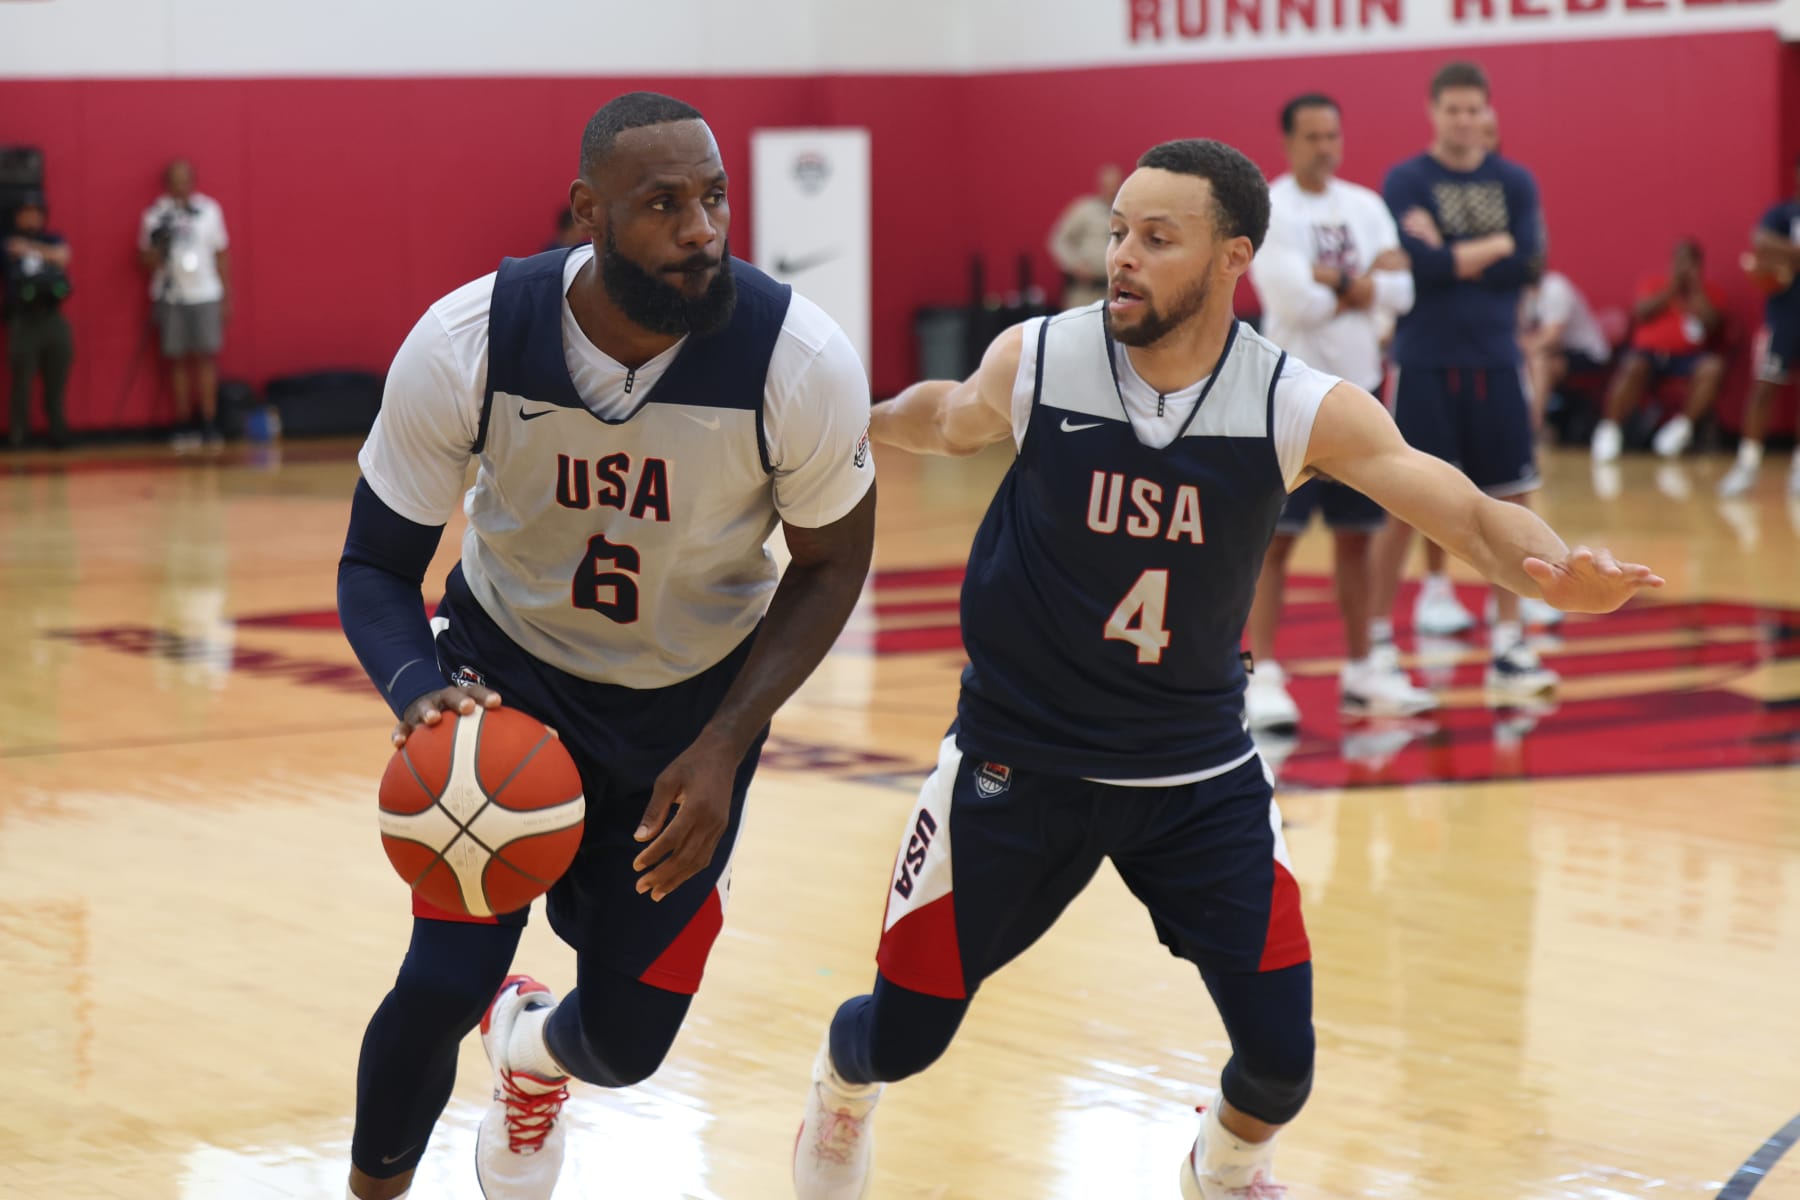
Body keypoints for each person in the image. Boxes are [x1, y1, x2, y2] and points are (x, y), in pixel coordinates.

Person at [790, 138, 1659, 1200]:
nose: (1122, 255)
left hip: (1196, 773)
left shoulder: (1293, 403)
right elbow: (948, 416)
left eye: (1158, 238)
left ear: (1232, 257)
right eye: (1119, 232)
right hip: (1020, 761)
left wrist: (1556, 574)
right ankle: (841, 1085)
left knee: (1282, 1065)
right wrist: (850, 424)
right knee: (904, 1034)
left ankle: (1226, 1165)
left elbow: (1466, 513)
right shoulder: (1044, 359)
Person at [336, 92, 876, 1200]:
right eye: (663, 204)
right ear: (589, 212)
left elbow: (831, 563)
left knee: (627, 1047)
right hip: (506, 684)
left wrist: (726, 743)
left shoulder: (798, 359)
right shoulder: (469, 340)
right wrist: (419, 692)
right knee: (439, 984)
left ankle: (528, 1052)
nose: (701, 229)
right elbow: (375, 565)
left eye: (714, 198)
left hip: (688, 715)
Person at [1245, 93, 1434, 730]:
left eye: (1333, 135)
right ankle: (1262, 675)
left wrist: (1331, 279)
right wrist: (1363, 283)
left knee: (1358, 538)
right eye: (1312, 137)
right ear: (1288, 142)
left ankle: (1362, 671)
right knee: (1274, 543)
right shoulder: (1271, 209)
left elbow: (1403, 291)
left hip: (1359, 396)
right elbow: (1293, 303)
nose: (1325, 147)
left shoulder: (1366, 205)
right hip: (1289, 397)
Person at [1372, 61, 1562, 694]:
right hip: (1424, 359)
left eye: (1473, 109)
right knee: (1402, 505)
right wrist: (1491, 245)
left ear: (1487, 112)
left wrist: (1450, 250)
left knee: (1511, 501)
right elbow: (1417, 267)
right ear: (1433, 112)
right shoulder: (1406, 179)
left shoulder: (1515, 180)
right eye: (1452, 109)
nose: (1463, 120)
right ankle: (1376, 646)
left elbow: (1526, 264)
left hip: (1497, 359)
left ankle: (1509, 644)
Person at [1590, 239, 1725, 463]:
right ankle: (1609, 429)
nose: (1684, 267)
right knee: (1632, 366)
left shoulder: (1709, 291)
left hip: (1687, 358)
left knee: (1713, 368)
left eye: (1690, 262)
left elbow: (1713, 323)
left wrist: (1695, 290)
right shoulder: (1655, 283)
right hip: (1649, 354)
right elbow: (1642, 312)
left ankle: (1680, 430)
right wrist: (1672, 288)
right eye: (1680, 261)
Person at [1718, 154, 1800, 498]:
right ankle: (1747, 464)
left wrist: (1788, 258)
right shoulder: (1782, 214)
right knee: (1765, 387)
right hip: (1784, 318)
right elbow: (1761, 241)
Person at [138, 160, 231, 450]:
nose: (180, 186)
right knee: (176, 358)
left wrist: (226, 296)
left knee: (206, 358)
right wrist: (160, 245)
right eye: (175, 180)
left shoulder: (209, 210)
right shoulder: (156, 215)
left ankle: (208, 421)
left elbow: (221, 252)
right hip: (171, 295)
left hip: (205, 293)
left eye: (185, 179)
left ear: (193, 181)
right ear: (167, 184)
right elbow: (145, 260)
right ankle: (183, 422)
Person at [4, 194, 73, 450]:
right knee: (22, 380)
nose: (31, 218)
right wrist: (36, 252)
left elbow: (63, 256)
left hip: (52, 315)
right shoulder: (8, 240)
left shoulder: (52, 239)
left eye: (36, 212)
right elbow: (12, 250)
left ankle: (58, 432)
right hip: (23, 319)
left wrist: (30, 249)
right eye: (26, 212)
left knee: (56, 377)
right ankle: (19, 435)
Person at [1520, 266, 1613, 435]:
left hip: (1588, 353)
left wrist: (1520, 351)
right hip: (1555, 351)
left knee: (1539, 362)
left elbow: (1552, 336)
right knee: (1530, 361)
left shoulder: (1555, 288)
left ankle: (1534, 425)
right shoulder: (1522, 296)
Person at [1048, 163, 1124, 308]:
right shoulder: (1084, 210)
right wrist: (1075, 265)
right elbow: (1059, 240)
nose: (1112, 189)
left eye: (1115, 185)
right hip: (1085, 291)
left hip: (1113, 290)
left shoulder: (1125, 213)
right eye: (1108, 185)